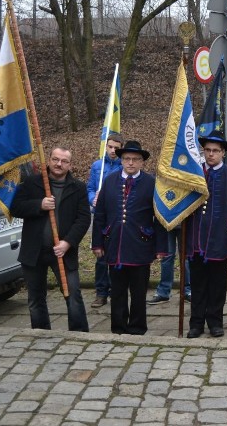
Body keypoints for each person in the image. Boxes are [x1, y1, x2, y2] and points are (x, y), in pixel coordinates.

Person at [10, 147, 90, 332]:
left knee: (73, 294)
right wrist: (39, 204)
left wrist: (67, 242)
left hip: (63, 252)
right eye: (55, 159)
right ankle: (41, 333)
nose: (58, 164)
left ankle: (80, 335)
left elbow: (83, 219)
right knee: (35, 297)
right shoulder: (32, 183)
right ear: (49, 160)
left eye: (63, 161)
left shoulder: (78, 188)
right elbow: (15, 207)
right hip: (34, 251)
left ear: (70, 165)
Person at [92, 140, 168, 334]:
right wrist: (97, 243)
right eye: (127, 159)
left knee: (138, 292)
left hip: (140, 245)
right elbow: (100, 215)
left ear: (142, 162)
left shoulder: (151, 183)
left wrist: (160, 248)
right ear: (121, 160)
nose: (131, 163)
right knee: (117, 291)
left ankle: (137, 327)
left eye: (136, 159)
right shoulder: (110, 181)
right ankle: (118, 327)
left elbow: (159, 218)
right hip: (114, 244)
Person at [184, 130, 227, 338]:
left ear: (223, 153)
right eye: (208, 150)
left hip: (221, 239)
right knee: (198, 285)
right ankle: (196, 323)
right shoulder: (194, 175)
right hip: (195, 240)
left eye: (215, 151)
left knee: (217, 285)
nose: (211, 154)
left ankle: (215, 322)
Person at [87, 133, 124, 308]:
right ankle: (101, 292)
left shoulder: (123, 167)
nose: (112, 150)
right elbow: (90, 188)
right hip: (101, 217)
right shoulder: (97, 166)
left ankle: (117, 290)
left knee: (117, 255)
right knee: (100, 255)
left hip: (116, 216)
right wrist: (93, 198)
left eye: (116, 148)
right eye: (110, 147)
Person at [147, 228, 191, 304]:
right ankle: (163, 292)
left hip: (185, 221)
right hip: (167, 222)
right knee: (166, 256)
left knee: (186, 257)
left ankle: (188, 291)